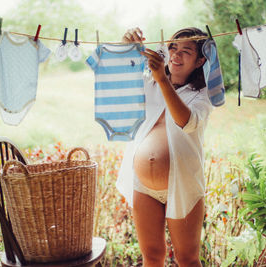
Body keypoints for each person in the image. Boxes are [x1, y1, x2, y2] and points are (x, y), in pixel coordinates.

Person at [116, 27, 213, 267]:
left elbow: (186, 122)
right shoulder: (149, 81)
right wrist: (126, 45)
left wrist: (161, 78)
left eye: (186, 51)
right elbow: (120, 81)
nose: (176, 55)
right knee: (151, 256)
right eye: (173, 48)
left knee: (187, 259)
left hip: (184, 186)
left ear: (200, 60)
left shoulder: (202, 95)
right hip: (143, 187)